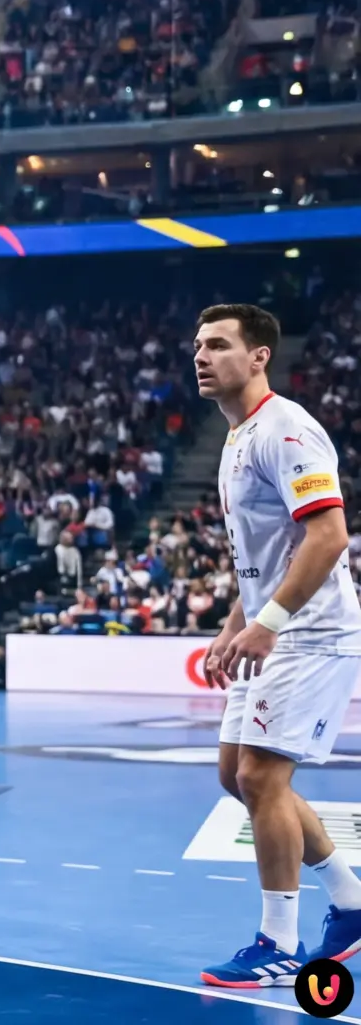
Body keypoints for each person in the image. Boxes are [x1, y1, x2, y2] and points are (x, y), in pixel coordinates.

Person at [192, 303, 361, 985]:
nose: (202, 356)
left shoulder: (285, 429)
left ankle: (280, 943)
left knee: (263, 776)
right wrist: (237, 621)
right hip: (277, 627)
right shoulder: (237, 437)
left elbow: (327, 535)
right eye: (198, 345)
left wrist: (271, 623)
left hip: (312, 632)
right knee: (236, 776)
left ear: (259, 355)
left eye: (219, 344)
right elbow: (267, 553)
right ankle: (351, 900)